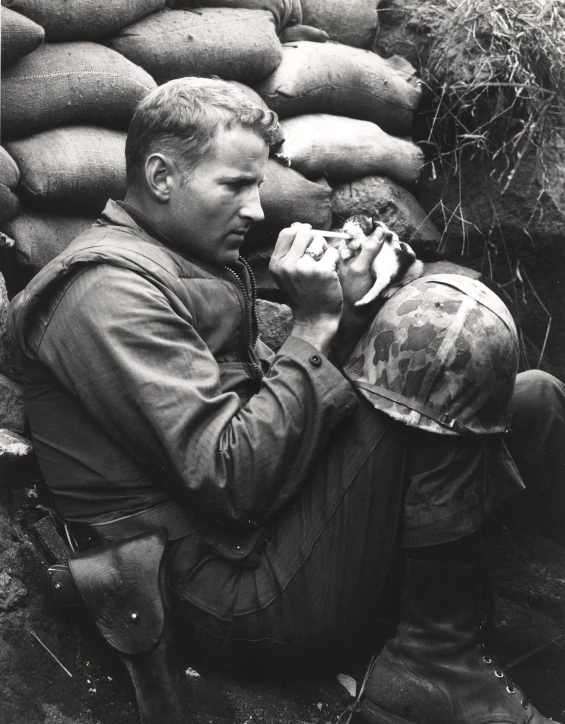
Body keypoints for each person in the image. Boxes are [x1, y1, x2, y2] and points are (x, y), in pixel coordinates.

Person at [8, 78, 565, 724]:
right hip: (228, 593)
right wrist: (315, 325)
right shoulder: (102, 293)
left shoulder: (188, 265)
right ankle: (432, 666)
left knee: (532, 401)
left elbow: (283, 417)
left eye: (258, 185)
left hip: (267, 539)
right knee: (439, 339)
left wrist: (352, 314)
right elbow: (232, 482)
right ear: (161, 175)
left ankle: (498, 609)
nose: (255, 210)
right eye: (235, 186)